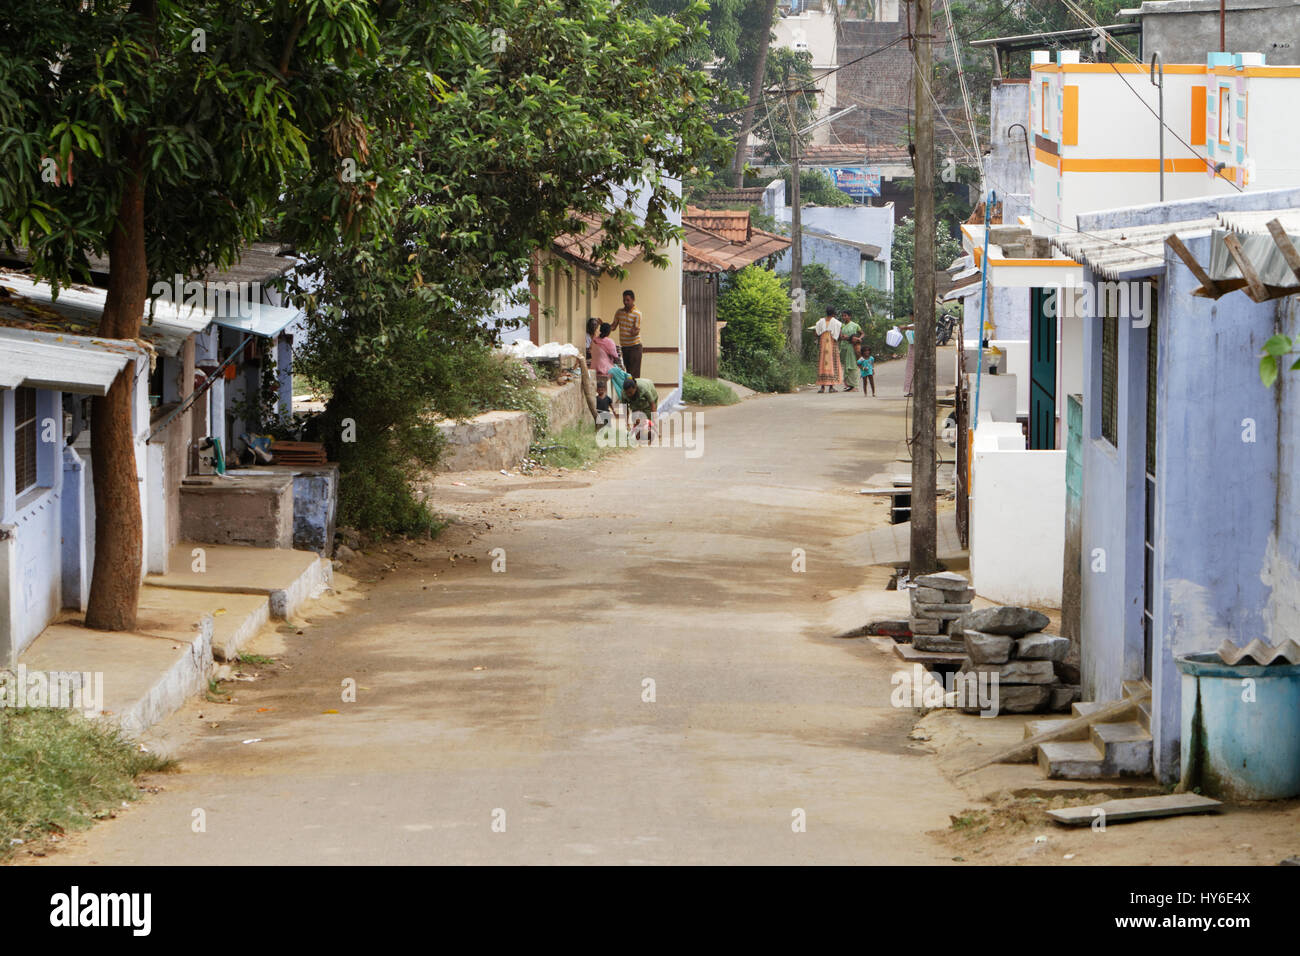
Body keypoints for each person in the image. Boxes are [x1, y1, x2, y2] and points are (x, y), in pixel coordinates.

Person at [614, 289, 643, 378]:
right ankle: (630, 391)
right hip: (624, 347)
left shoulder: (637, 313)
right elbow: (613, 326)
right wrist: (604, 326)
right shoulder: (619, 312)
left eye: (627, 300)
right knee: (628, 372)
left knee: (634, 374)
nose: (625, 302)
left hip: (635, 347)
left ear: (633, 300)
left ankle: (635, 391)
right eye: (624, 300)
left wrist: (634, 332)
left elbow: (636, 330)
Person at [621, 374, 658, 442]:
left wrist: (653, 421)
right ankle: (639, 437)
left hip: (649, 403)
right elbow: (625, 409)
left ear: (635, 387)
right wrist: (627, 423)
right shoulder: (623, 393)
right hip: (636, 404)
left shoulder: (644, 389)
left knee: (647, 423)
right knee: (636, 421)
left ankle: (650, 436)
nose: (628, 395)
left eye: (630, 392)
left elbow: (652, 404)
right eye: (627, 393)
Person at [813, 306, 842, 394]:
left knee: (822, 363)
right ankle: (831, 387)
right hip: (832, 344)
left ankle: (822, 387)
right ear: (834, 314)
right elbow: (839, 336)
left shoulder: (820, 322)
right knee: (832, 362)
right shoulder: (837, 323)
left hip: (823, 344)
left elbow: (816, 333)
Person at [589, 320, 619, 391]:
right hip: (604, 368)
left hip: (593, 366)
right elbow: (616, 356)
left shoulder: (594, 340)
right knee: (620, 373)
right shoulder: (609, 342)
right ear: (608, 332)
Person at [839, 310, 862, 392]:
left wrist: (859, 338)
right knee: (846, 366)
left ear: (849, 316)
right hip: (844, 348)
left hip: (852, 347)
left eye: (845, 316)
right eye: (843, 316)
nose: (844, 317)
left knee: (853, 366)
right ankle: (849, 385)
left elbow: (862, 333)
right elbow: (840, 336)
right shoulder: (842, 326)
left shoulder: (855, 325)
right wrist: (842, 337)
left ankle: (855, 386)